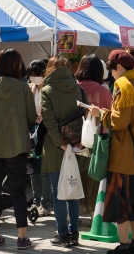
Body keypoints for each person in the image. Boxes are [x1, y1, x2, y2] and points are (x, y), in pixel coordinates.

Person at [88, 50, 134, 254]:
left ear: (119, 67)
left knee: (122, 205)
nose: (111, 73)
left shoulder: (124, 86)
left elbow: (120, 121)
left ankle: (124, 247)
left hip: (123, 155)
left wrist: (101, 114)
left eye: (111, 68)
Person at [0, 49, 36, 250]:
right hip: (17, 144)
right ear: (16, 65)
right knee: (18, 191)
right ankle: (22, 237)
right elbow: (31, 117)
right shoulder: (23, 88)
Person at [40, 56, 85, 248]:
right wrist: (76, 143)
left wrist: (60, 143)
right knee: (73, 190)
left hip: (55, 147)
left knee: (58, 192)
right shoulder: (79, 89)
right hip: (76, 146)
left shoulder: (47, 90)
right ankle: (74, 233)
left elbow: (49, 121)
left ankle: (62, 234)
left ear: (50, 69)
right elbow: (87, 117)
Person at [75, 53, 113, 214]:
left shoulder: (72, 88)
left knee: (74, 176)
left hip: (73, 140)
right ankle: (93, 213)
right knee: (94, 177)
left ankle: (73, 215)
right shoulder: (103, 91)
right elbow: (112, 117)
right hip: (97, 140)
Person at [26, 59, 51, 217]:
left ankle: (45, 203)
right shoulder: (30, 88)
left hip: (45, 132)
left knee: (44, 171)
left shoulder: (48, 90)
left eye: (36, 75)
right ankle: (36, 201)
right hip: (32, 131)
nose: (34, 79)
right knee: (34, 170)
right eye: (31, 75)